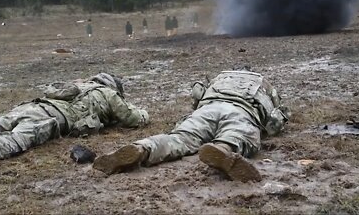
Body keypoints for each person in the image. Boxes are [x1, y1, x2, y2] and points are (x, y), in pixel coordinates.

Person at [0, 73, 149, 179]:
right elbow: (132, 118)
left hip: (29, 107)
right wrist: (144, 113)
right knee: (8, 141)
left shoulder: (79, 85)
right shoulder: (107, 93)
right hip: (47, 118)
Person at [93, 70, 289, 182]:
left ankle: (143, 148)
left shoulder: (220, 78)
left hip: (208, 108)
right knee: (238, 134)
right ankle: (223, 148)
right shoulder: (265, 84)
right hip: (241, 111)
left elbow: (197, 95)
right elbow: (274, 122)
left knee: (178, 138)